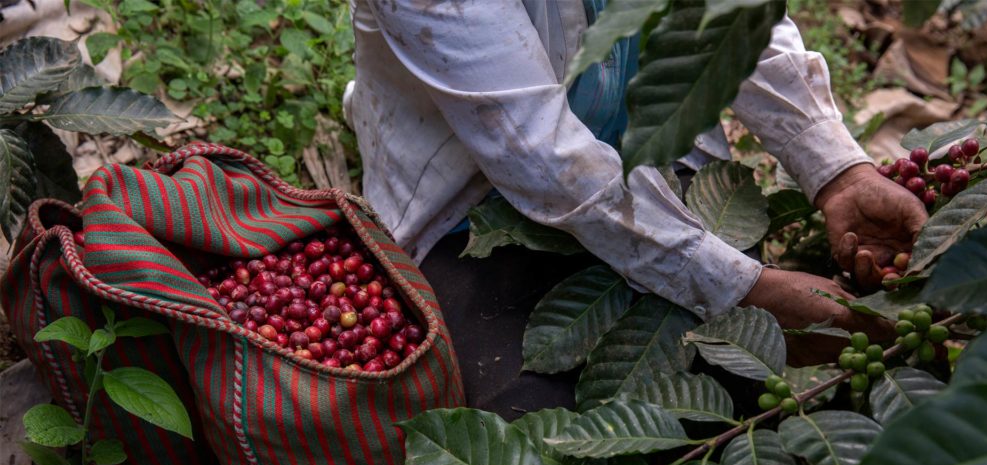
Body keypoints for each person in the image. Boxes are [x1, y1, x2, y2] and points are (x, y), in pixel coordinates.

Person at [342, 0, 928, 419]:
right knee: (538, 428)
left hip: (661, 179)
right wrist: (745, 289)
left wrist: (838, 172)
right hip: (476, 210)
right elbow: (541, 155)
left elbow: (737, 22)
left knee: (730, 412)